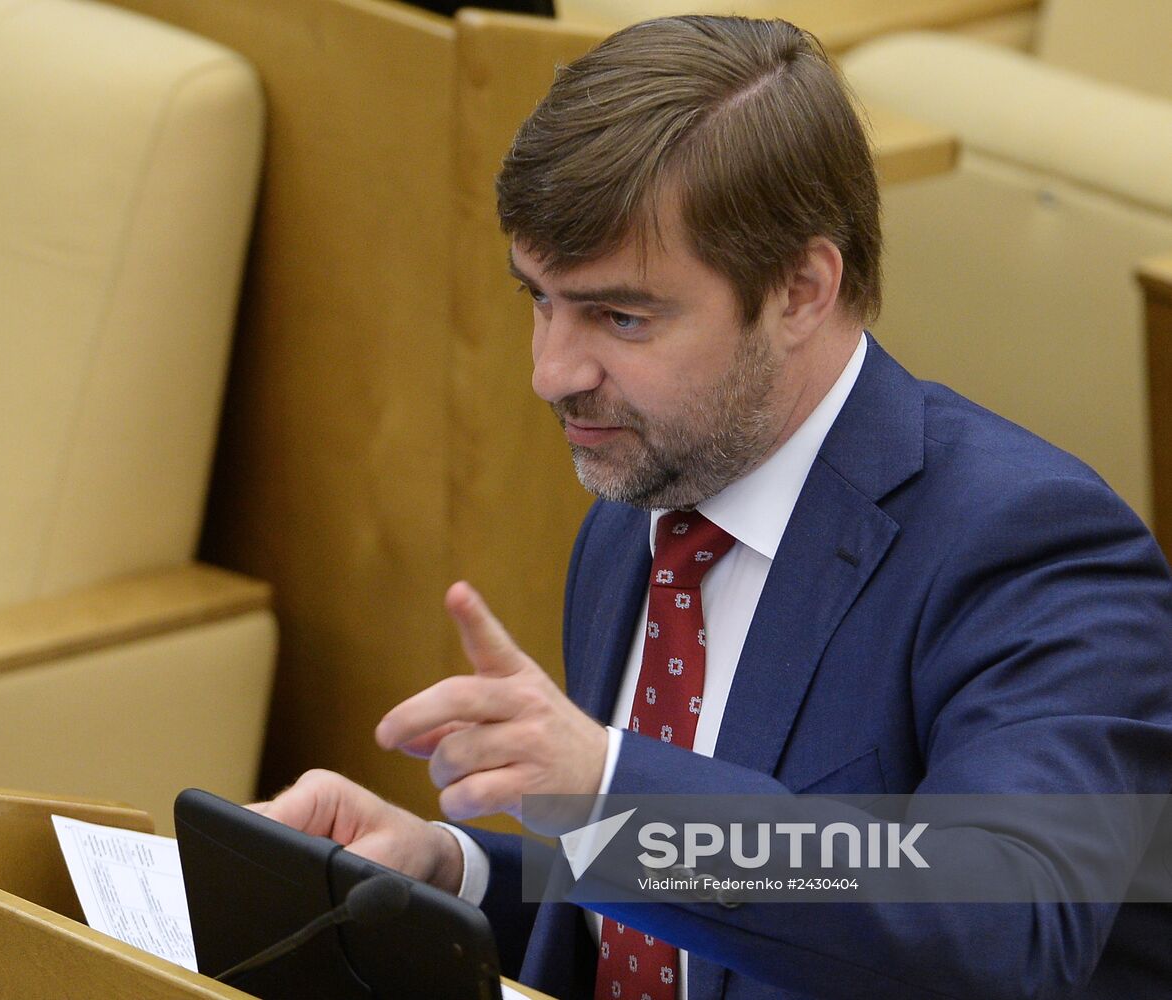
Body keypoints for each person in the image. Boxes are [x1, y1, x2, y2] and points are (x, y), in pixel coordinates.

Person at [252, 15, 1172, 999]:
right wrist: (453, 876)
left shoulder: (1032, 546)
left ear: (800, 291)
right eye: (539, 299)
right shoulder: (638, 512)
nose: (552, 372)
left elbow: (1002, 924)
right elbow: (686, 929)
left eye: (621, 316)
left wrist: (607, 790)